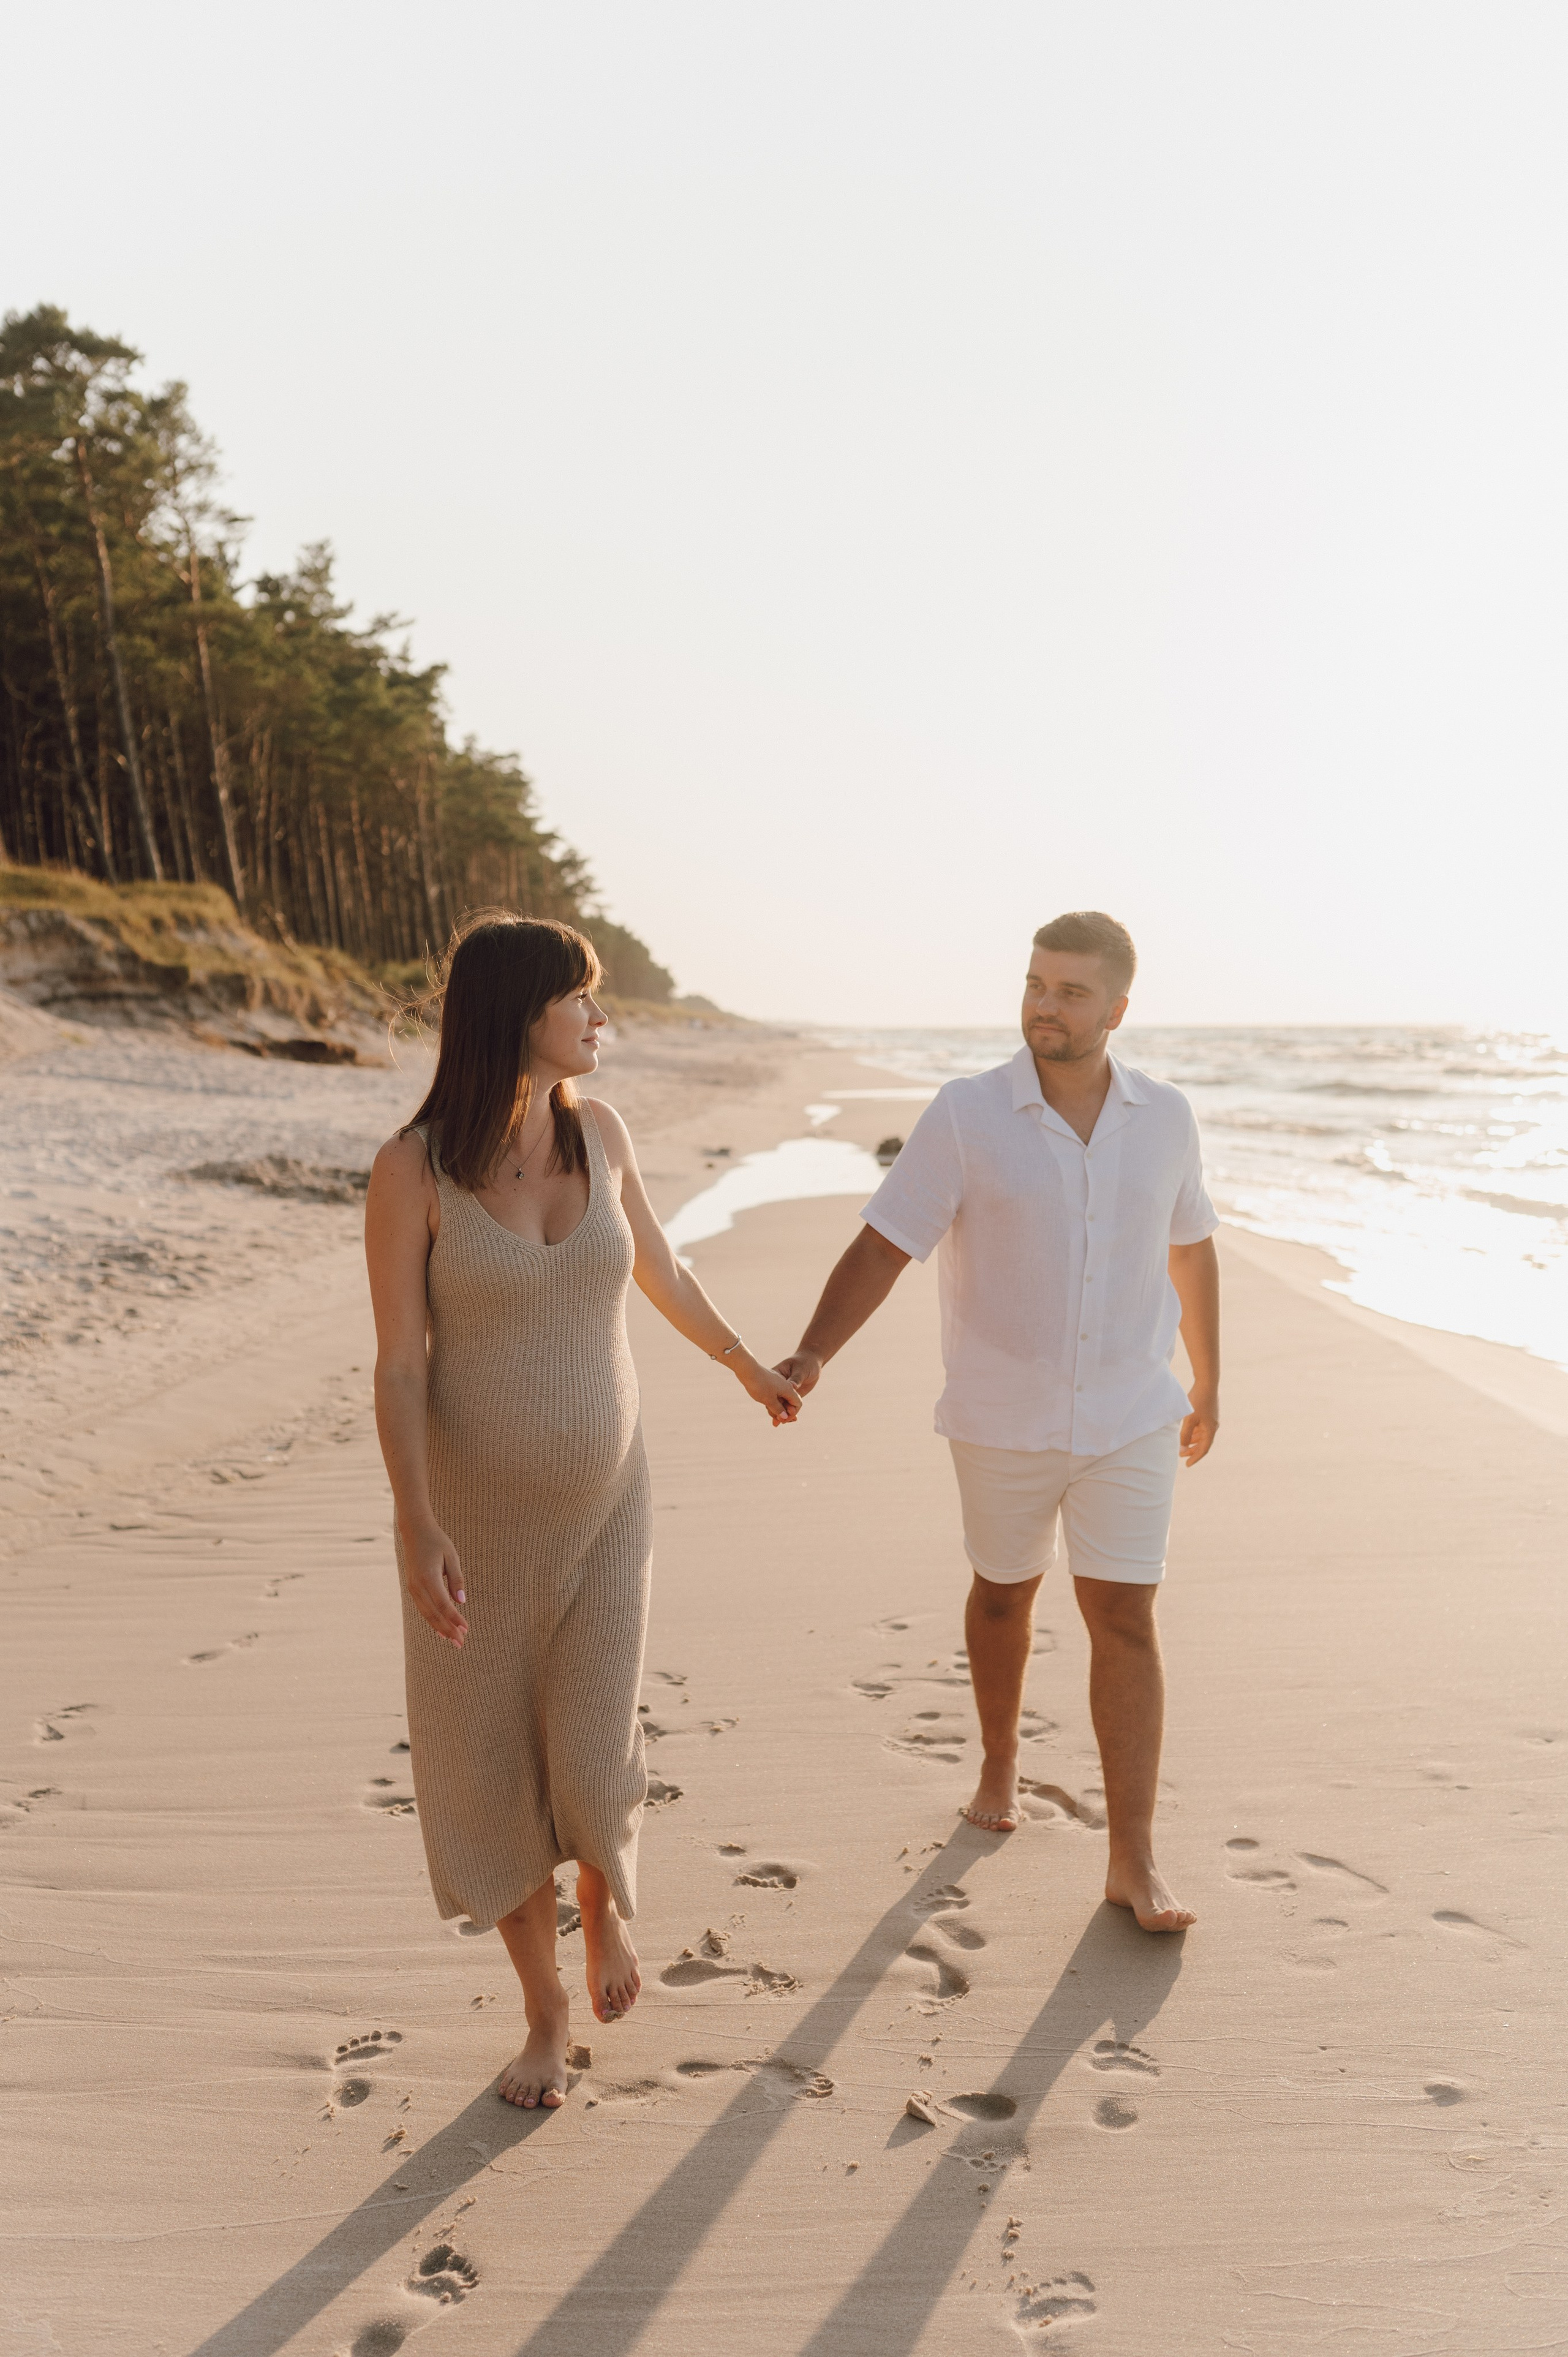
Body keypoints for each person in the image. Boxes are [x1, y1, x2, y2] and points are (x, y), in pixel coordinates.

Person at [364, 913, 801, 2110]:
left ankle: (606, 1906)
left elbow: (660, 1266)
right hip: (472, 1528)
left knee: (596, 1741)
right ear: (518, 1013)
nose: (600, 1021)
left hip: (609, 1501)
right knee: (488, 1763)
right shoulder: (411, 1171)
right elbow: (400, 1366)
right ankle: (545, 2014)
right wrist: (415, 1521)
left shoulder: (600, 1133)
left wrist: (746, 1365)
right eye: (583, 1001)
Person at [776, 911, 1219, 1933]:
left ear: (1117, 1009)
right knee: (1003, 1594)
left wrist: (1210, 1378)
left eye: (1069, 991)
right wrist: (811, 1352)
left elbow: (1189, 1248)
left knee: (1124, 1614)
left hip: (1132, 1412)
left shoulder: (1168, 1116)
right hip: (1001, 1413)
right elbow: (887, 1242)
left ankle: (1133, 1860)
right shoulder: (969, 1113)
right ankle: (1000, 1761)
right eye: (1034, 984)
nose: (1044, 1006)